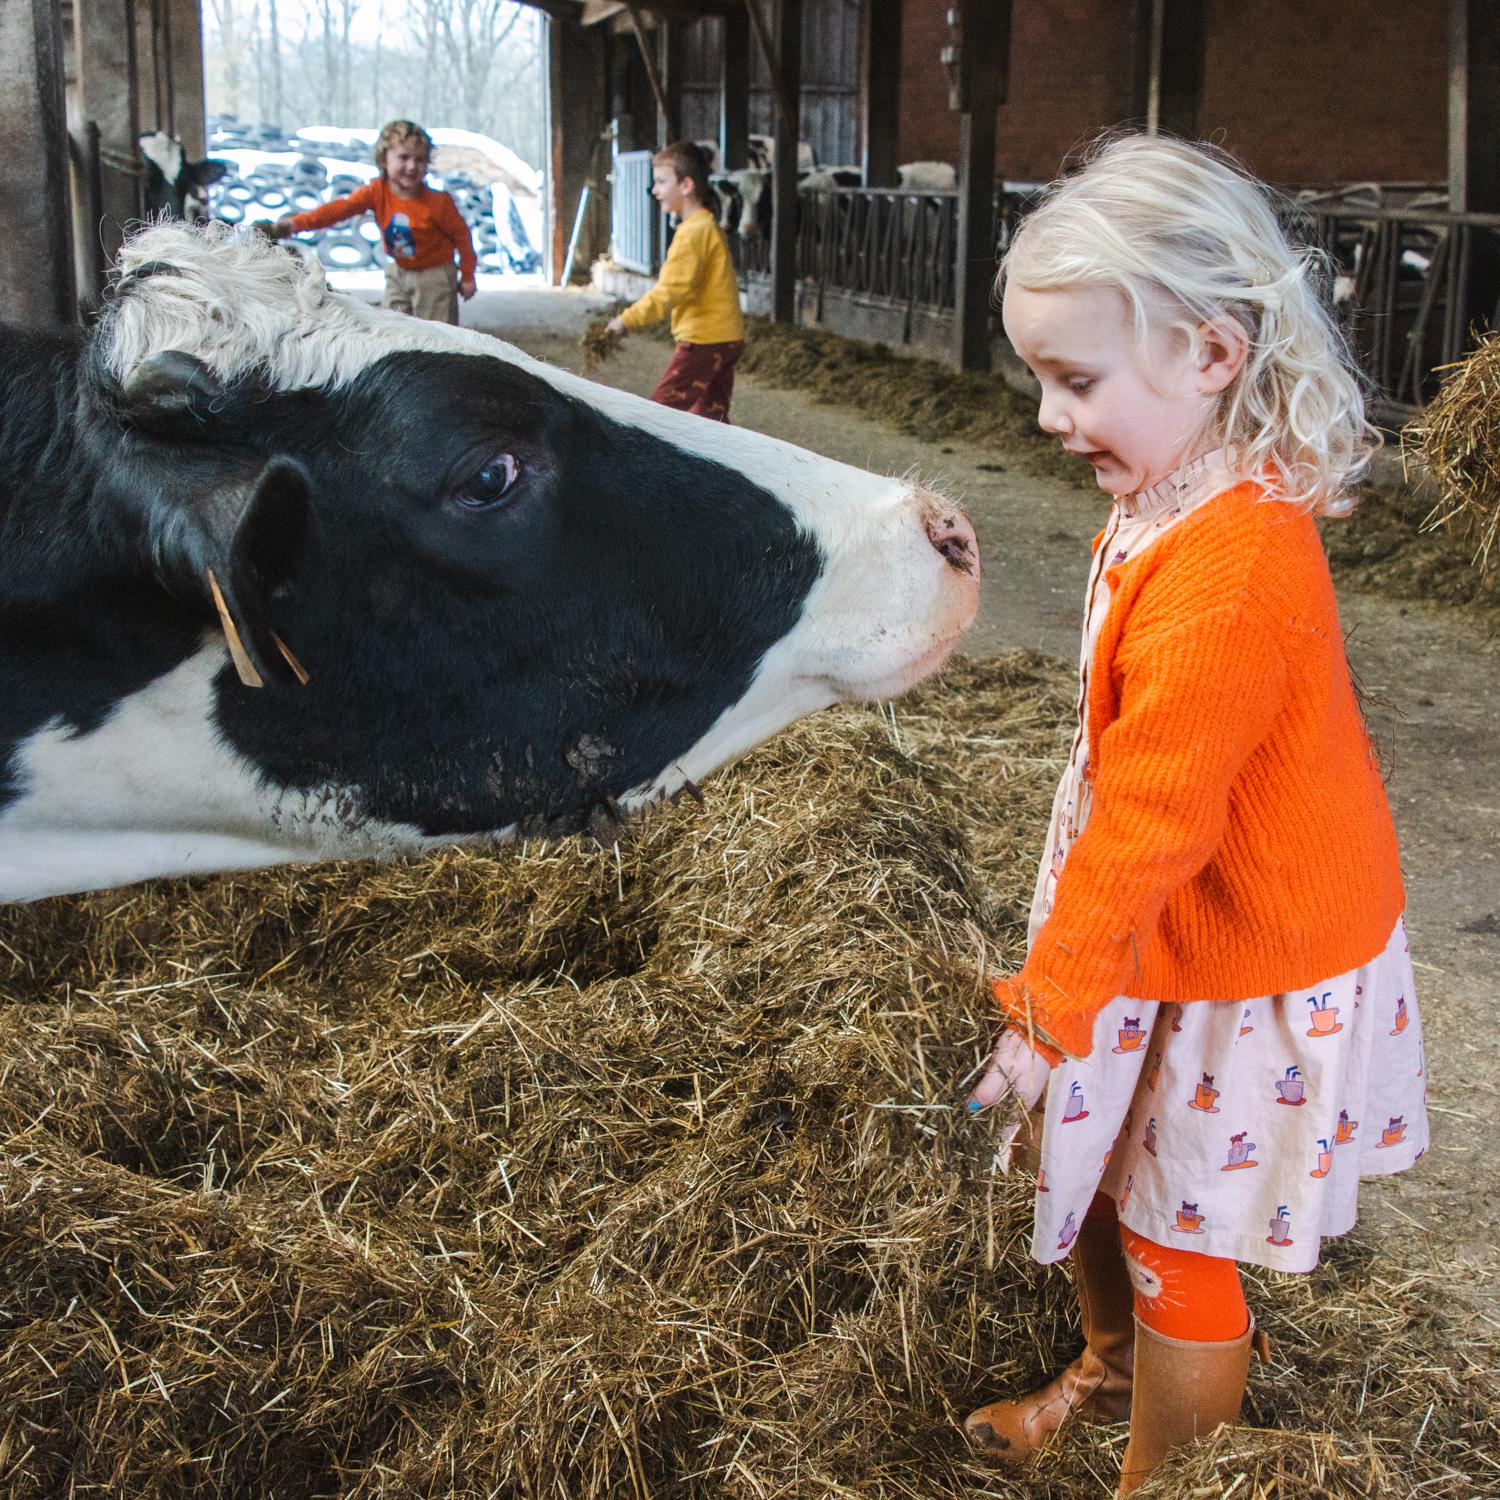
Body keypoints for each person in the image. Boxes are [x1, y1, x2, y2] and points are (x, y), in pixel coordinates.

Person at [962, 134, 1427, 1496]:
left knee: (1177, 1232)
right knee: (1097, 1159)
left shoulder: (1231, 569)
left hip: (1243, 950)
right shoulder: (1171, 496)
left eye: (1077, 381)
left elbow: (1158, 816)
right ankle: (1112, 1374)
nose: (1048, 417)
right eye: (1042, 379)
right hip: (1160, 919)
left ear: (1213, 355)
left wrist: (1052, 1003)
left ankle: (1165, 1476)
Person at [272, 119, 476, 325]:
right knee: (391, 326)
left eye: (420, 159)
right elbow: (340, 209)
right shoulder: (377, 192)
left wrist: (467, 276)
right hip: (399, 270)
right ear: (383, 159)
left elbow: (462, 237)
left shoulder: (438, 202)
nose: (412, 166)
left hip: (434, 276)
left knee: (436, 331)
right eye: (404, 157)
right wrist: (296, 224)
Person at [606, 141, 745, 422]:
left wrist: (625, 321)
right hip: (726, 337)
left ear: (686, 185)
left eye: (661, 182)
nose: (655, 190)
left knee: (657, 419)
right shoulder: (707, 226)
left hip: (703, 340)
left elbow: (669, 292)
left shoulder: (692, 233)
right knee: (712, 422)